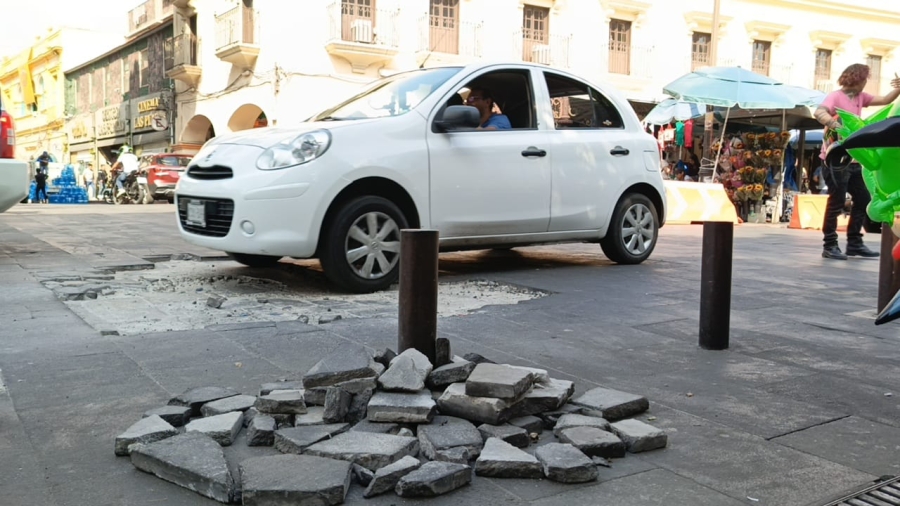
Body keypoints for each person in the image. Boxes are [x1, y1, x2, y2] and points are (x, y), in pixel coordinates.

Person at [814, 63, 900, 260]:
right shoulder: (836, 96)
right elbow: (819, 112)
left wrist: (898, 88)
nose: (865, 84)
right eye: (864, 80)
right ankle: (830, 244)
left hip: (855, 160)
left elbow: (886, 99)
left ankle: (854, 243)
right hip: (836, 160)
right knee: (836, 202)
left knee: (862, 199)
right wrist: (837, 125)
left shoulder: (861, 97)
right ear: (857, 78)